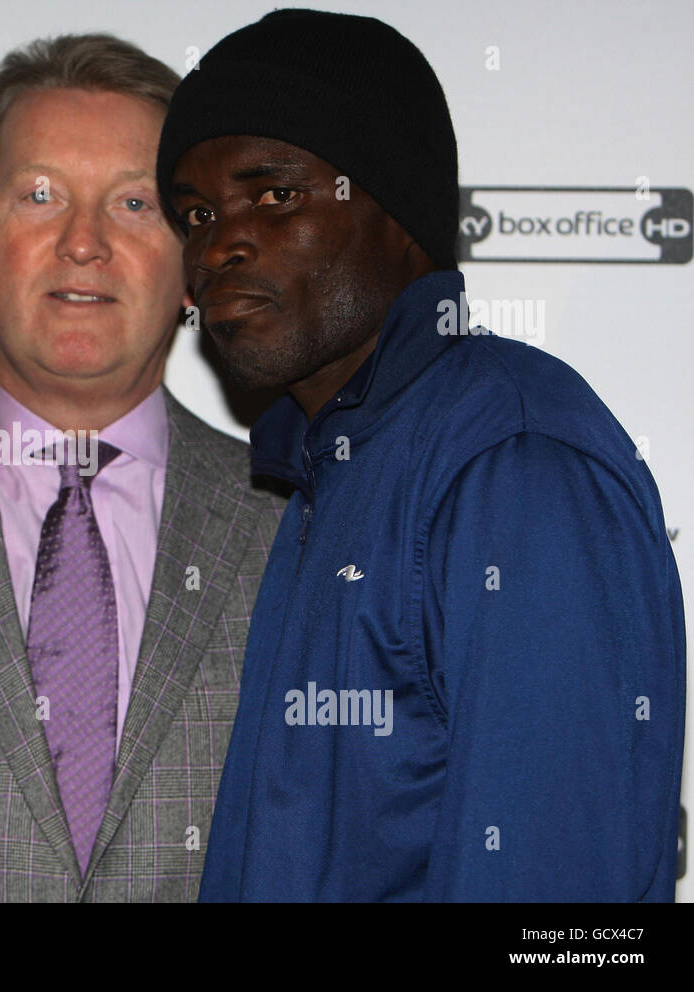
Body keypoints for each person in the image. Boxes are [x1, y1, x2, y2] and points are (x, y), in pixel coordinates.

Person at [157, 8, 685, 901]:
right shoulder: (329, 467)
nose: (218, 245)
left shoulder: (515, 465)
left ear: (397, 210)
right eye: (198, 213)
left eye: (275, 194)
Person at [0, 34, 287, 902]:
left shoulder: (296, 526)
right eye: (41, 195)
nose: (83, 242)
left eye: (133, 203)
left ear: (193, 263)